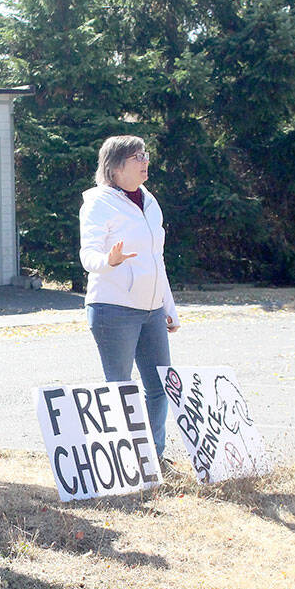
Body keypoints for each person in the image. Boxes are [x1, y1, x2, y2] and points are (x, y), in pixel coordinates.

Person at [78, 135, 180, 460]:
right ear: (115, 166)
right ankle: (123, 460)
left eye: (145, 154)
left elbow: (157, 258)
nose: (145, 161)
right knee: (120, 388)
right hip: (113, 309)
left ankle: (153, 457)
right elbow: (88, 256)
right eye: (137, 156)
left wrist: (168, 307)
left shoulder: (149, 201)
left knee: (160, 386)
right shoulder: (98, 202)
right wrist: (109, 261)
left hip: (151, 311)